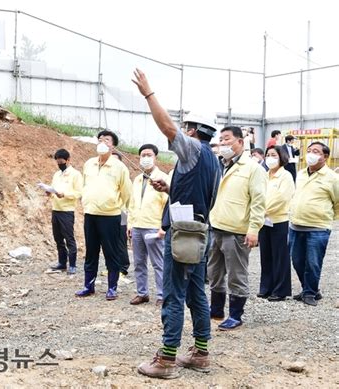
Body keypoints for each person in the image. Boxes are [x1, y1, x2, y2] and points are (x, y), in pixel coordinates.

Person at [133, 69, 220, 379]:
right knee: (196, 293)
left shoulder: (193, 148)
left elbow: (167, 127)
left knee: (173, 293)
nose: (183, 131)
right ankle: (201, 352)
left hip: (182, 235)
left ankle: (166, 359)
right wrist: (170, 189)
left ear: (195, 130)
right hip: (198, 233)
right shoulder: (212, 159)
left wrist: (148, 94)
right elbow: (200, 196)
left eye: (187, 128)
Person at [208, 126, 267, 330]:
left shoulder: (253, 169)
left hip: (237, 230)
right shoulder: (218, 166)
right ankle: (216, 309)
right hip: (216, 226)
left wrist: (254, 229)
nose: (223, 144)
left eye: (227, 139)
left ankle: (235, 315)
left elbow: (259, 202)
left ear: (240, 142)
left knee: (236, 274)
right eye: (221, 140)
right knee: (214, 272)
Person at [75, 130, 132, 301]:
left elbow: (126, 192)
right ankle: (88, 286)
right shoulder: (89, 163)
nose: (102, 142)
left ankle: (112, 288)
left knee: (111, 252)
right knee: (91, 251)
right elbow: (84, 185)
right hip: (90, 214)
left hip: (110, 216)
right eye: (100, 139)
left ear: (113, 146)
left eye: (106, 140)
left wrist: (117, 207)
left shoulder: (119, 167)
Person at [289, 142, 339, 306]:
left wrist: (326, 217)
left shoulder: (332, 178)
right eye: (309, 151)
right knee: (297, 260)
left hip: (318, 227)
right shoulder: (301, 173)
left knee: (313, 262)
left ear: (325, 157)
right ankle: (309, 289)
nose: (310, 154)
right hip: (295, 225)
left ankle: (309, 293)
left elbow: (337, 202)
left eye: (316, 151)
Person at [128, 143, 169, 307]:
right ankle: (142, 293)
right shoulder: (137, 179)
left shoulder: (163, 178)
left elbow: (168, 204)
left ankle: (162, 294)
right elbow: (132, 204)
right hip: (137, 226)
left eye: (148, 155)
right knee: (138, 262)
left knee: (158, 263)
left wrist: (163, 227)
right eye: (143, 155)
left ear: (155, 157)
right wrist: (130, 224)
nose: (145, 158)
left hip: (154, 227)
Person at [257, 146, 295, 301]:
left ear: (281, 157)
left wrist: (263, 210)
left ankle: (280, 290)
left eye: (274, 155)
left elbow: (282, 198)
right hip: (263, 221)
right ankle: (266, 287)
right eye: (268, 155)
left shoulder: (285, 176)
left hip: (278, 220)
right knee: (265, 255)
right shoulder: (264, 175)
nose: (270, 157)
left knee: (280, 256)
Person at [48, 149, 83, 274]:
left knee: (69, 239)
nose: (59, 164)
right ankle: (62, 263)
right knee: (58, 238)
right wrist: (50, 193)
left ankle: (72, 265)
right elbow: (54, 190)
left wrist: (65, 194)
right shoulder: (56, 175)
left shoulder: (76, 174)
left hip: (67, 211)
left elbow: (79, 193)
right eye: (57, 162)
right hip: (55, 210)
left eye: (61, 161)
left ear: (68, 160)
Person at [111, 151, 131, 277]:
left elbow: (128, 196)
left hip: (122, 212)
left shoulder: (124, 176)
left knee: (120, 239)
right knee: (111, 241)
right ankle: (114, 266)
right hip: (110, 213)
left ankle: (123, 266)